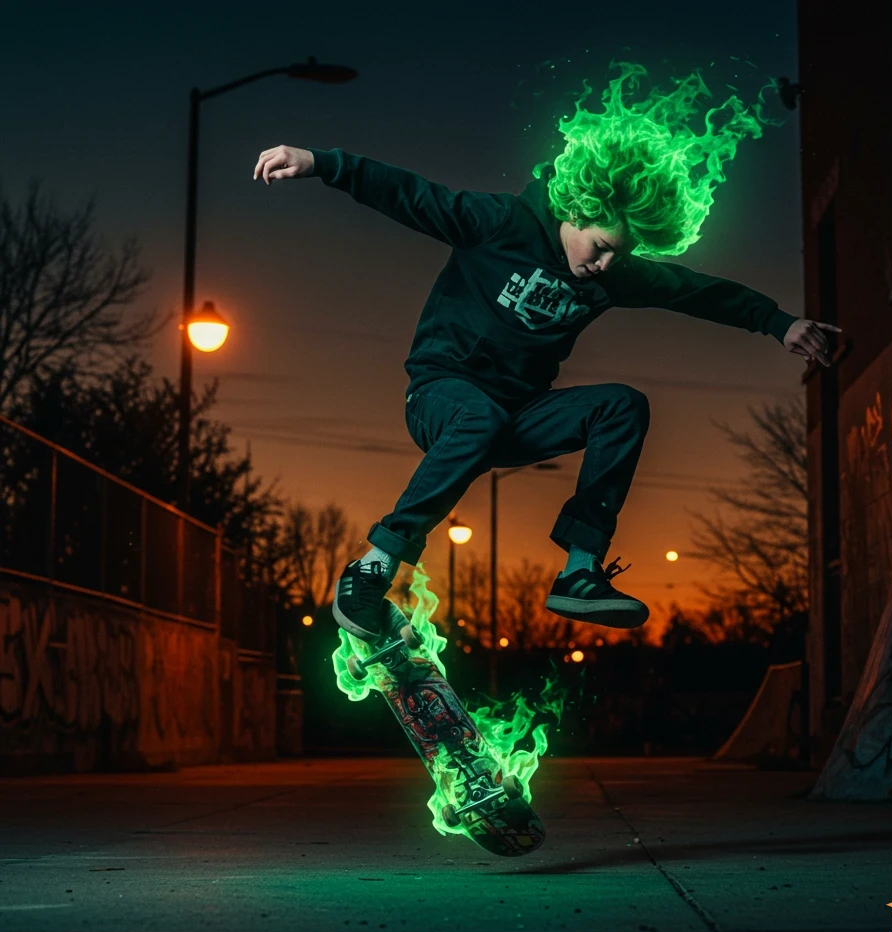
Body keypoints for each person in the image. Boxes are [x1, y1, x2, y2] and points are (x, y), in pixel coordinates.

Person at [252, 144, 837, 640]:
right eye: (601, 245)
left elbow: (695, 291)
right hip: (439, 398)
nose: (605, 264)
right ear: (577, 210)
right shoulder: (498, 224)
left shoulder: (614, 275)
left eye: (619, 255)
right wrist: (321, 163)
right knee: (477, 415)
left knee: (622, 405)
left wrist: (777, 322)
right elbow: (411, 195)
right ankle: (374, 566)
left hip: (517, 416)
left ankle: (580, 571)